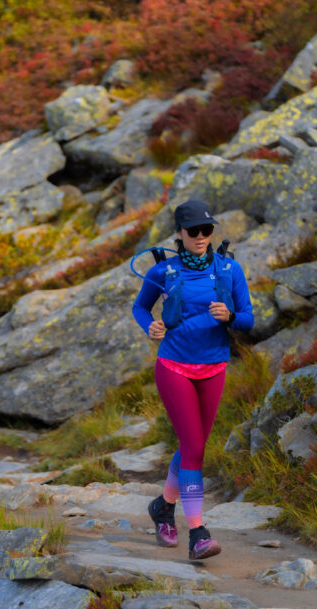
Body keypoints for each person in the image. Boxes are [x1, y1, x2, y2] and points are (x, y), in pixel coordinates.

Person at [132, 199, 255, 561]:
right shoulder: (163, 272)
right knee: (195, 448)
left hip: (215, 367)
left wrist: (230, 315)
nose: (201, 237)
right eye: (194, 232)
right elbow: (141, 307)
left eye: (207, 230)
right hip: (174, 366)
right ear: (179, 234)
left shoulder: (230, 269)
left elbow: (249, 319)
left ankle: (162, 507)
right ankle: (198, 534)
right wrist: (150, 326)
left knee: (192, 445)